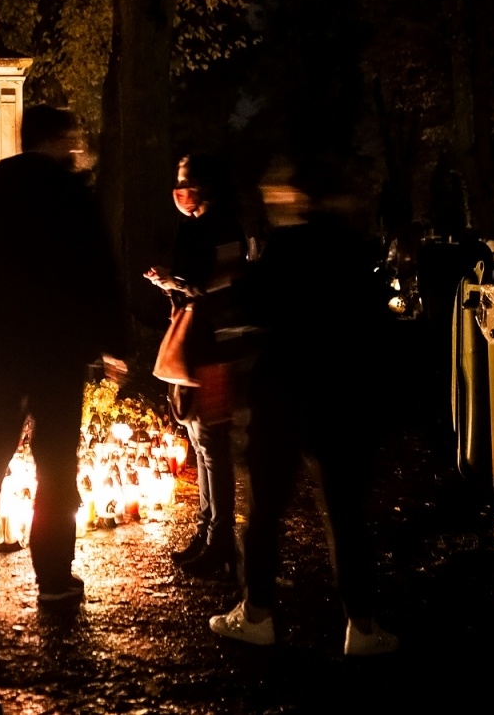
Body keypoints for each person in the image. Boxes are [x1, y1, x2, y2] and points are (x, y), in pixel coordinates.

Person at [207, 158, 399, 656]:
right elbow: (379, 325)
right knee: (345, 512)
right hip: (344, 393)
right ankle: (362, 625)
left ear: (298, 199)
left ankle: (257, 614)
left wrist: (241, 273)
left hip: (284, 391)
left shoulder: (287, 248)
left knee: (266, 510)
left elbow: (252, 303)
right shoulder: (358, 251)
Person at [0, 105, 129, 605]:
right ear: (54, 141)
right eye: (70, 138)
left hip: (2, 344)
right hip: (57, 347)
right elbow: (100, 271)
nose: (75, 147)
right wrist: (115, 341)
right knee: (55, 461)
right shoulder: (71, 194)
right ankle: (52, 576)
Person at [144, 154, 246, 579]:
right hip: (191, 344)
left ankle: (221, 539)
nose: (180, 190)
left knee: (212, 445)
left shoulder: (223, 225)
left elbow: (226, 279)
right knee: (198, 440)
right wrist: (172, 282)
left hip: (213, 346)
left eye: (187, 182)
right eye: (178, 180)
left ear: (206, 187)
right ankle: (207, 532)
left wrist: (178, 283)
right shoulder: (193, 226)